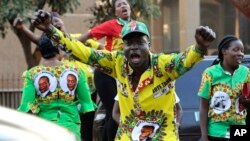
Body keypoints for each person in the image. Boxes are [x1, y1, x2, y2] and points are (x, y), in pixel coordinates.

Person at [32, 10, 215, 140]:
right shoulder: (117, 62)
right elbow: (83, 52)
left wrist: (199, 47)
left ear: (149, 46)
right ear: (123, 47)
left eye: (139, 42)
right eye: (129, 43)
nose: (134, 47)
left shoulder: (163, 65)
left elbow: (184, 60)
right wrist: (51, 31)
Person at [13, 13, 98, 141]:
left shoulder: (32, 74)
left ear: (41, 52)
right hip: (71, 128)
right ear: (59, 50)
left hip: (45, 130)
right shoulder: (76, 71)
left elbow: (26, 107)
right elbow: (86, 104)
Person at [77, 0, 134, 140]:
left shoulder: (136, 27)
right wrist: (73, 47)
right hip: (105, 74)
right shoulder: (112, 25)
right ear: (116, 12)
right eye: (119, 5)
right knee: (115, 111)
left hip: (122, 75)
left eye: (125, 3)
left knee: (112, 114)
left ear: (130, 8)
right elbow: (89, 35)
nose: (123, 6)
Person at [198, 35, 250, 141]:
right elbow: (203, 106)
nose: (240, 53)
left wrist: (246, 101)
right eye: (236, 50)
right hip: (216, 132)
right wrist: (204, 136)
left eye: (242, 51)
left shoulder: (246, 72)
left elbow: (247, 100)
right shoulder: (210, 73)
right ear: (224, 51)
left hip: (239, 130)